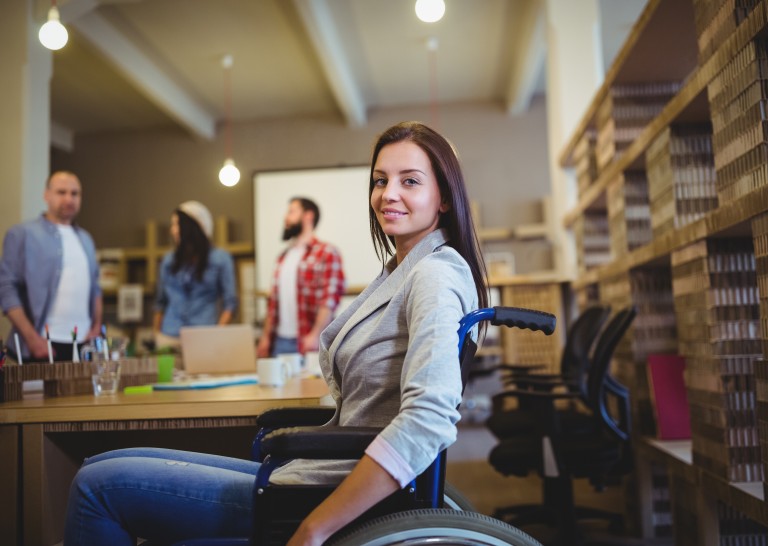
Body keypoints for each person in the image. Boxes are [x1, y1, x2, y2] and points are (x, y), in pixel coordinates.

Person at [63, 121, 489, 546]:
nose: (387, 193)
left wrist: (315, 528)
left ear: (445, 198)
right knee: (104, 461)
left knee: (95, 485)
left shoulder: (434, 274)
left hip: (334, 495)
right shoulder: (402, 269)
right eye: (380, 180)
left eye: (409, 181)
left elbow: (429, 417)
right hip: (322, 473)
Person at [0, 171, 102, 362]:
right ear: (46, 195)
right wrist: (31, 338)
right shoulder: (22, 234)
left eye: (75, 193)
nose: (68, 198)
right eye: (61, 192)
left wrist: (96, 328)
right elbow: (6, 288)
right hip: (41, 345)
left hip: (83, 345)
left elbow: (95, 288)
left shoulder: (86, 239)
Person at [256, 197, 345, 357]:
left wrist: (315, 335)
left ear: (308, 216)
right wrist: (265, 338)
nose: (286, 217)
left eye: (291, 212)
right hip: (280, 342)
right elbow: (273, 303)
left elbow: (329, 299)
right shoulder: (283, 257)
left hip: (308, 342)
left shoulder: (327, 252)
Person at [153, 201, 238, 348]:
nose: (173, 231)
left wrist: (218, 333)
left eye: (177, 224)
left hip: (204, 336)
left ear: (195, 226)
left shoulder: (220, 259)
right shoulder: (168, 261)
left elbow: (230, 303)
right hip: (169, 336)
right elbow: (160, 302)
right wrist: (156, 334)